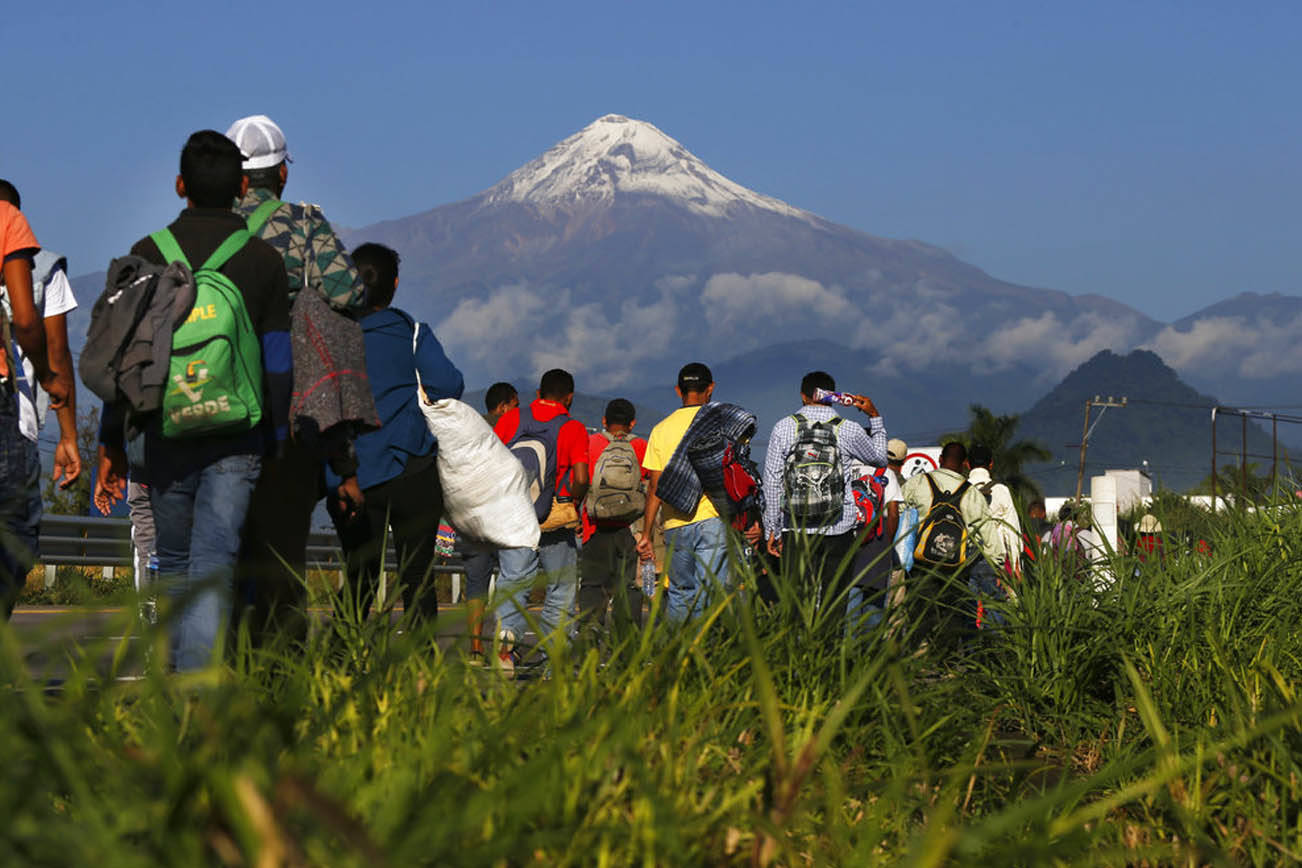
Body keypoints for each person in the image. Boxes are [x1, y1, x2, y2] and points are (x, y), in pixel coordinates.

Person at [94, 130, 291, 670]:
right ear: (241, 188)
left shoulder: (148, 253)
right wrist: (275, 439)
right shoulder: (261, 261)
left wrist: (112, 440)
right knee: (214, 565)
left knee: (175, 562)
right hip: (236, 436)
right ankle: (198, 696)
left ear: (180, 184)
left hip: (165, 429)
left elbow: (125, 358)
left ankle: (172, 688)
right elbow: (278, 361)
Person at [225, 114, 371, 643]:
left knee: (214, 550)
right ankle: (275, 680)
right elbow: (349, 292)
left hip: (206, 407)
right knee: (279, 552)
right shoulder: (304, 223)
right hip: (283, 407)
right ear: (280, 174)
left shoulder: (199, 228)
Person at [326, 243, 463, 623]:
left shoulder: (335, 340)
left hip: (355, 474)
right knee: (417, 576)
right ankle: (419, 671)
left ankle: (340, 663)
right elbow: (448, 385)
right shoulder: (412, 332)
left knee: (360, 577)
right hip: (412, 468)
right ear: (396, 285)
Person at [0, 182, 81, 615]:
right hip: (15, 417)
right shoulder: (41, 264)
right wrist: (68, 434)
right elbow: (51, 345)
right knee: (15, 535)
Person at [760, 371, 889, 627]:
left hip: (796, 528)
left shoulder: (784, 427)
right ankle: (827, 662)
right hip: (838, 528)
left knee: (795, 604)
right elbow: (880, 459)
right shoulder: (849, 430)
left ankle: (795, 662)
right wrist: (874, 417)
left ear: (803, 395)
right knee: (833, 604)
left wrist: (771, 530)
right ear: (833, 397)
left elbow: (772, 482)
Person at [492, 369, 590, 662]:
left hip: (514, 516)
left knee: (513, 581)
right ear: (569, 397)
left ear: (538, 393)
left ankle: (505, 647)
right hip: (554, 519)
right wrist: (574, 500)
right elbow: (582, 477)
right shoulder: (573, 428)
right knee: (560, 587)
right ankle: (554, 659)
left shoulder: (511, 418)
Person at [637, 363, 732, 624]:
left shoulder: (660, 430)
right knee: (710, 590)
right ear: (710, 388)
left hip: (674, 523)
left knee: (679, 592)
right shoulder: (722, 426)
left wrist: (646, 534)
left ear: (679, 390)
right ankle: (703, 652)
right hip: (713, 518)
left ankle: (680, 654)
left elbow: (655, 487)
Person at [900, 442, 994, 646]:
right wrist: (994, 563)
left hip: (921, 562)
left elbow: (899, 512)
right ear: (965, 464)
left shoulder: (918, 482)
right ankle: (945, 661)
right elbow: (988, 536)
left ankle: (915, 657)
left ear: (941, 459)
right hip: (956, 567)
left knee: (918, 610)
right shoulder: (972, 494)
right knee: (952, 615)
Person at [576, 398, 648, 645]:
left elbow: (580, 479)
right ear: (632, 423)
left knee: (593, 587)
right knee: (627, 588)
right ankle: (626, 646)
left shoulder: (590, 443)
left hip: (593, 528)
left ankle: (589, 643)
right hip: (629, 530)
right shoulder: (640, 446)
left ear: (604, 421)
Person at [458, 382, 520, 658]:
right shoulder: (514, 429)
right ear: (504, 406)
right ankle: (506, 650)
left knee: (475, 585)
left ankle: (475, 648)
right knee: (512, 580)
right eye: (515, 405)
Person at [964, 443, 1022, 626]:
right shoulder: (1001, 490)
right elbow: (1012, 530)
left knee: (967, 610)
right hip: (994, 561)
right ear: (991, 464)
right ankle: (995, 651)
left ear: (967, 464)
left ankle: (970, 651)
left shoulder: (961, 489)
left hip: (965, 559)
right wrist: (1015, 564)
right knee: (997, 609)